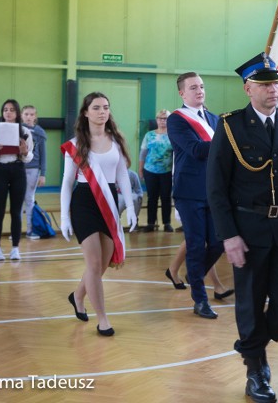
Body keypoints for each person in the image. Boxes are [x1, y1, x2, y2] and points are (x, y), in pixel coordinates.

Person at [207, 53, 278, 403]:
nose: (273, 90)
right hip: (247, 229)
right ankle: (256, 367)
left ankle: (250, 346)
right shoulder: (230, 126)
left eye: (275, 83)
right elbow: (215, 187)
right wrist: (229, 235)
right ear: (248, 88)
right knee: (251, 301)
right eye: (265, 84)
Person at [59, 92, 138, 336]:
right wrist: (63, 216)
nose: (102, 111)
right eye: (96, 107)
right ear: (85, 112)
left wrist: (132, 207)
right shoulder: (76, 144)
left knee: (102, 264)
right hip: (84, 203)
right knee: (93, 264)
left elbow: (123, 175)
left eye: (106, 107)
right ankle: (103, 318)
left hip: (109, 204)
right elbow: (66, 181)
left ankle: (78, 296)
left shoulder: (116, 140)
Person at [167, 72, 231, 319]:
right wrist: (229, 142)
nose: (199, 91)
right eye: (193, 87)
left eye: (202, 86)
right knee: (195, 245)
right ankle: (200, 300)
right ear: (182, 93)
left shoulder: (216, 120)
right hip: (189, 192)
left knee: (217, 243)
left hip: (214, 191)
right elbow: (195, 149)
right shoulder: (177, 120)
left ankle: (194, 278)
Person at [0, 99, 34, 261]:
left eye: (12, 109)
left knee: (16, 212)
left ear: (17, 113)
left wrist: (25, 151)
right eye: (5, 109)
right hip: (0, 170)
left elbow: (29, 157)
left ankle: (15, 249)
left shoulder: (25, 131)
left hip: (18, 170)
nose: (8, 112)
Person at [139, 109, 173, 232]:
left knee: (166, 197)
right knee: (152, 198)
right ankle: (150, 223)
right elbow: (143, 153)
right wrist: (141, 170)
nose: (163, 121)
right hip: (150, 171)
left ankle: (167, 223)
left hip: (167, 171)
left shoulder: (173, 135)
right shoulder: (149, 135)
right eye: (160, 118)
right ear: (156, 120)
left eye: (165, 119)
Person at [21, 105, 47, 239]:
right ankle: (17, 230)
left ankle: (31, 230)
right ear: (21, 115)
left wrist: (43, 174)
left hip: (34, 169)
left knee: (29, 199)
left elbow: (43, 154)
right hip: (19, 168)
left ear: (35, 116)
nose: (29, 117)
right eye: (26, 114)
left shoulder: (39, 132)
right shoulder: (17, 130)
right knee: (18, 199)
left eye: (31, 114)